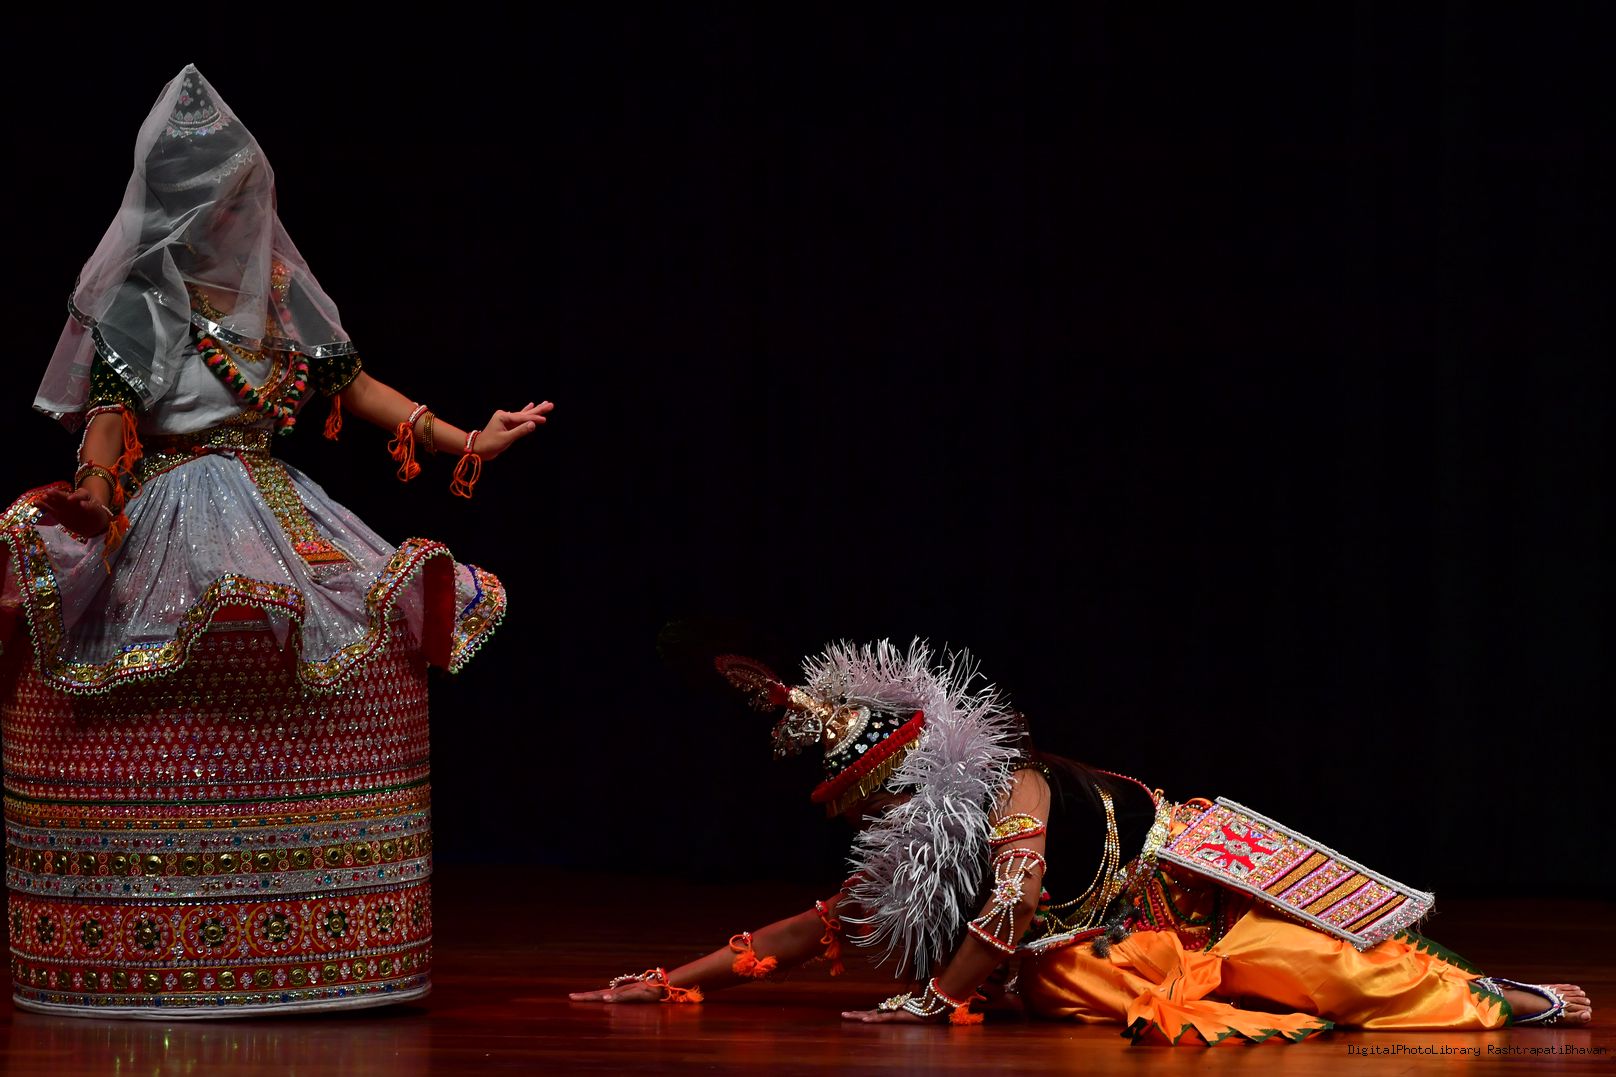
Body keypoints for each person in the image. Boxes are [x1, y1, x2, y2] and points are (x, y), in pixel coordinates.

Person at [0, 65, 550, 1018]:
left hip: (274, 499)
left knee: (357, 643)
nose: (245, 212)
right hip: (174, 504)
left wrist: (466, 438)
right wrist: (92, 491)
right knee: (166, 670)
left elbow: (352, 385)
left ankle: (325, 937)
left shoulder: (279, 290)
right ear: (186, 206)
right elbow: (109, 416)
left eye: (249, 193)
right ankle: (154, 933)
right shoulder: (146, 296)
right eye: (227, 197)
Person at [570, 640, 1591, 1042]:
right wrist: (672, 980)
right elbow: (817, 928)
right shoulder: (921, 842)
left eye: (873, 803)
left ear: (908, 776)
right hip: (1101, 949)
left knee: (1314, 967)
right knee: (1064, 983)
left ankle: (1507, 998)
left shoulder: (1011, 788)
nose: (869, 824)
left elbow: (1014, 899)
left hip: (1193, 893)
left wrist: (932, 1001)